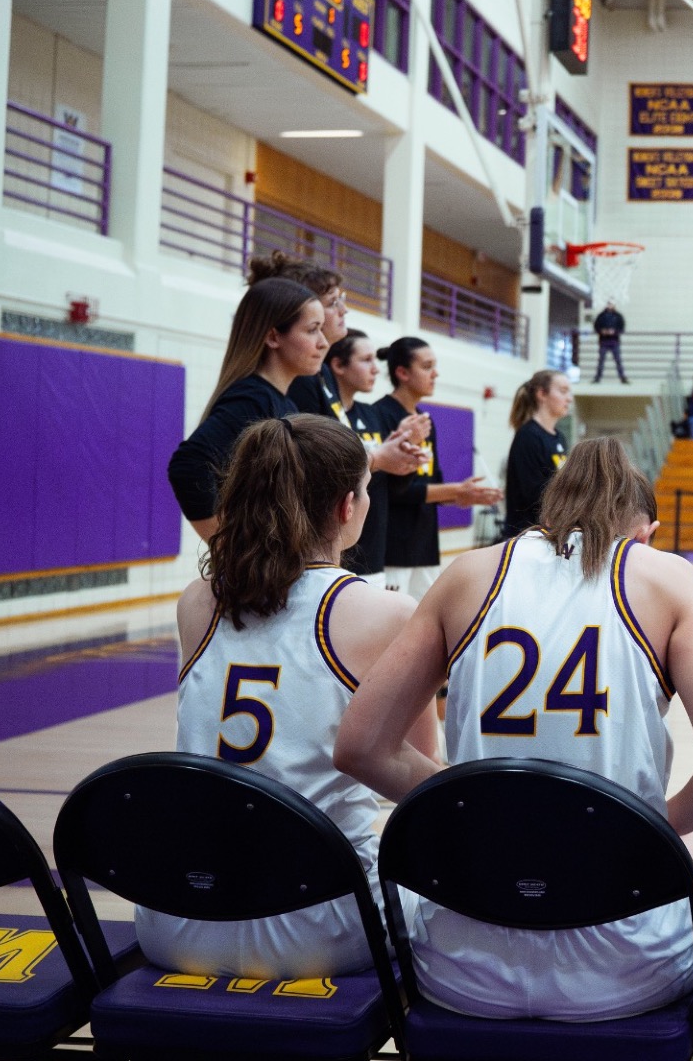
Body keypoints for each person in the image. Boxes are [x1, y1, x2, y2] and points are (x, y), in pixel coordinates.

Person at [335, 438, 693, 1021]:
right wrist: (647, 830)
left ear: (550, 510)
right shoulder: (668, 577)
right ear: (644, 535)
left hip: (463, 965)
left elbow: (360, 747)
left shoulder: (468, 573)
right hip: (623, 967)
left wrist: (464, 807)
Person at [149, 415, 424, 978]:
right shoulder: (388, 612)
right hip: (321, 926)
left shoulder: (197, 602)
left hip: (178, 917)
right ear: (347, 506)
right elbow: (418, 786)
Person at [167, 268, 327, 540]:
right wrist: (225, 546)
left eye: (321, 329)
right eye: (312, 330)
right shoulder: (254, 399)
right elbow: (188, 466)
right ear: (273, 337)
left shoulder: (285, 402)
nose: (323, 343)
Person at [372, 338, 502, 598]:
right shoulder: (380, 415)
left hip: (425, 546)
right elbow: (392, 490)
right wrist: (453, 490)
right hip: (392, 547)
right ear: (402, 373)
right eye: (427, 366)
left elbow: (432, 483)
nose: (436, 374)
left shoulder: (424, 421)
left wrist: (461, 495)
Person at [328, 330, 429, 586]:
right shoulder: (325, 417)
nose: (375, 369)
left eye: (375, 360)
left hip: (374, 550)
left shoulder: (371, 414)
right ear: (338, 365)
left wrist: (406, 457)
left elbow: (392, 485)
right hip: (336, 551)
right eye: (366, 360)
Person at [255, 254, 350, 420]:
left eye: (341, 299)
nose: (344, 310)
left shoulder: (322, 371)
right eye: (333, 302)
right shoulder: (298, 379)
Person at [502, 370, 572, 540]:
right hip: (526, 535)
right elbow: (533, 494)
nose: (569, 398)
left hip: (550, 533)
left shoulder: (559, 438)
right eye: (563, 391)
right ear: (542, 394)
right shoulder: (528, 436)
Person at [592, 301, 628, 384]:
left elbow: (621, 328)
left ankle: (622, 378)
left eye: (611, 304)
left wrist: (614, 332)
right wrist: (602, 331)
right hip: (603, 341)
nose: (610, 306)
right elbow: (596, 327)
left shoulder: (618, 316)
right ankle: (597, 378)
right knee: (601, 361)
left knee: (618, 360)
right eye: (609, 304)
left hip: (614, 341)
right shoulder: (601, 316)